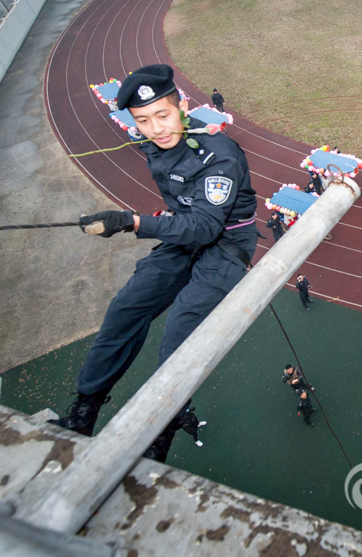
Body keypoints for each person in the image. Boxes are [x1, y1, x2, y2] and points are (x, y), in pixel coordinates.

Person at [49, 64, 259, 462]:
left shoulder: (220, 154)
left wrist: (131, 222)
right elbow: (182, 210)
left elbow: (203, 226)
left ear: (181, 106)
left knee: (179, 333)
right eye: (143, 121)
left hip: (224, 243)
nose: (157, 129)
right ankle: (84, 411)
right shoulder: (152, 144)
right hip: (181, 233)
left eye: (163, 115)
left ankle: (161, 429)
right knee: (125, 310)